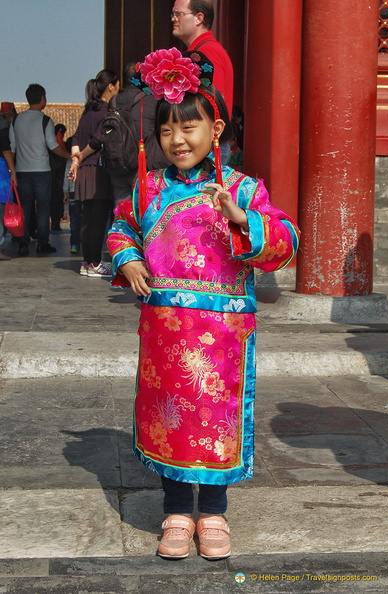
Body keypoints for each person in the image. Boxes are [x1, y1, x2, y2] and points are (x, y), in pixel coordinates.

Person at [107, 48, 300, 560]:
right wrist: (127, 258)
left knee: (215, 422)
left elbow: (286, 239)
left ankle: (213, 512)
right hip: (166, 331)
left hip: (222, 339)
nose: (177, 140)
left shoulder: (242, 188)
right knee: (169, 418)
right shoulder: (148, 189)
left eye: (188, 128)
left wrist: (241, 219)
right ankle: (175, 511)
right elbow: (121, 226)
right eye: (167, 131)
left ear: (215, 130)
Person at [9, 84, 71, 256]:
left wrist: (13, 171)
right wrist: (69, 155)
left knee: (26, 208)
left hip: (22, 171)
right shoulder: (45, 121)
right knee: (43, 208)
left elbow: (12, 148)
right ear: (42, 98)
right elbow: (53, 146)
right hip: (42, 171)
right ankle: (42, 243)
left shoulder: (16, 120)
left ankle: (23, 241)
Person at [70, 69, 119, 278]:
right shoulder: (106, 110)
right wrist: (82, 155)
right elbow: (99, 140)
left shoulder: (88, 110)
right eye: (117, 85)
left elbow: (75, 137)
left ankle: (87, 262)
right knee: (98, 220)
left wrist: (76, 159)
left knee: (87, 219)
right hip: (98, 169)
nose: (118, 89)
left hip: (85, 171)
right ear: (111, 86)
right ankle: (97, 263)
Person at [106, 61, 170, 206]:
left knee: (122, 211)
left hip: (119, 162)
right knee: (144, 210)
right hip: (142, 163)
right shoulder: (152, 98)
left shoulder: (114, 100)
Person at [171, 0, 234, 116]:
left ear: (199, 18)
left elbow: (214, 102)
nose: (173, 19)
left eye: (179, 14)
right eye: (173, 14)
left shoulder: (208, 51)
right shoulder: (200, 50)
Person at [0, 103, 17, 260]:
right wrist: (13, 172)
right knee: (1, 209)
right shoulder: (2, 128)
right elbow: (6, 150)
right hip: (1, 172)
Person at [63, 137, 80, 254]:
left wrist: (65, 192)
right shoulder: (85, 160)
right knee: (86, 219)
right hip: (84, 193)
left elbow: (66, 178)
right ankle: (86, 241)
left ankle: (74, 244)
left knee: (74, 219)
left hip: (73, 192)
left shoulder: (70, 162)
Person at [50, 123, 67, 231]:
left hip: (53, 177)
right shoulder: (60, 146)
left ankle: (55, 222)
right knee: (56, 201)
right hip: (57, 177)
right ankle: (56, 222)